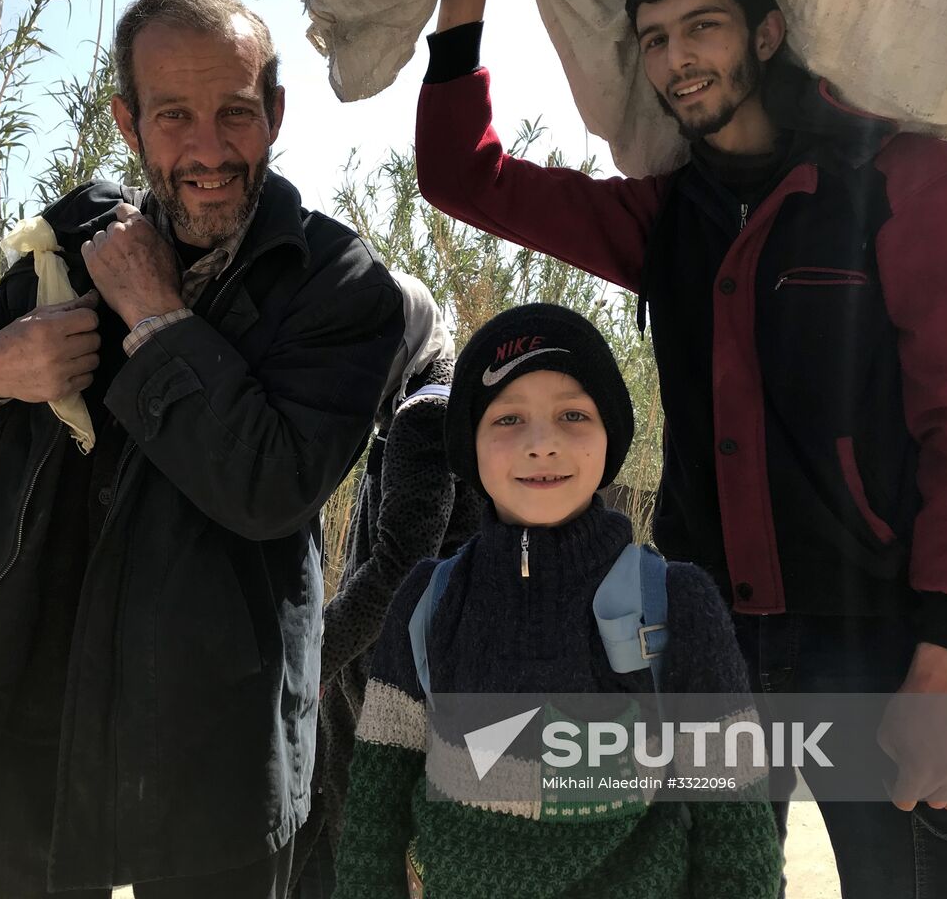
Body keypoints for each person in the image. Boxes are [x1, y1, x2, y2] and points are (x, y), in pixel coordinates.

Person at [413, 0, 947, 897]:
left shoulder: (912, 185)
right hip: (714, 645)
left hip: (871, 632)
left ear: (766, 33)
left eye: (700, 25)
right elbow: (460, 176)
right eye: (653, 39)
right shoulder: (664, 217)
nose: (673, 59)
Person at [0, 0, 403, 898]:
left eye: (235, 113)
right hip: (41, 718)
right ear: (129, 125)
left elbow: (270, 487)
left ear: (277, 113)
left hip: (219, 737)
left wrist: (160, 319)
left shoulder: (341, 289)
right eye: (173, 116)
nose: (206, 149)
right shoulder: (77, 242)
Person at [330, 303, 782, 898]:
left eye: (573, 414)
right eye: (508, 419)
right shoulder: (429, 600)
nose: (542, 444)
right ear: (470, 445)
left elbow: (739, 837)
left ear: (610, 435)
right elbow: (375, 818)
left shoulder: (677, 603)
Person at [291, 271, 484, 897]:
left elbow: (403, 561)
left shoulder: (427, 415)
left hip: (396, 682)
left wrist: (317, 653)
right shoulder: (424, 408)